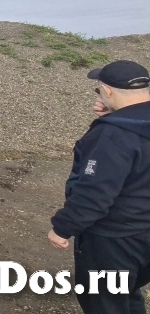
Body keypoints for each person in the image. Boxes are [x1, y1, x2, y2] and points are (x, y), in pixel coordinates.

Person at [48, 59, 150, 313]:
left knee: (104, 303)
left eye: (98, 90)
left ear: (108, 91)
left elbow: (95, 193)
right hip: (144, 232)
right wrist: (118, 115)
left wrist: (62, 228)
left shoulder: (112, 136)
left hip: (114, 240)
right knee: (126, 294)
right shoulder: (130, 126)